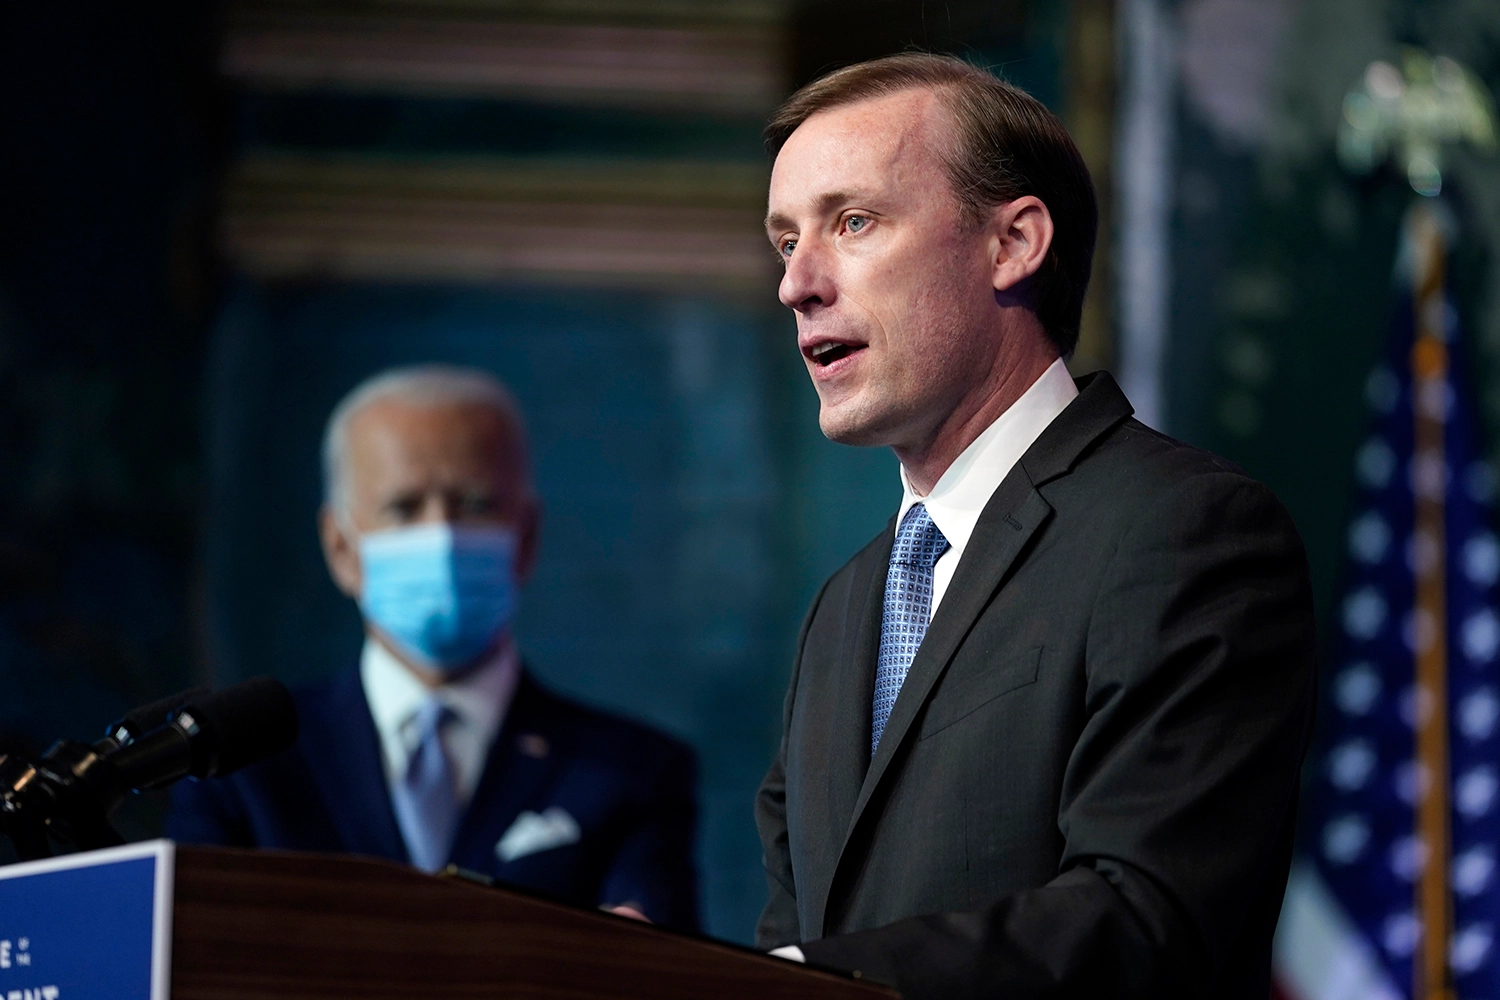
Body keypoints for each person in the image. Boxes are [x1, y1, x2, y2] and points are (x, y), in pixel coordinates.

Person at [755, 54, 1315, 997]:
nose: (796, 285)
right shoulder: (842, 610)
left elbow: (1146, 921)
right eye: (785, 242)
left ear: (1013, 243)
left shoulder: (1186, 533)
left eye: (853, 223)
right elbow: (789, 936)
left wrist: (810, 977)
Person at [168, 365, 699, 929]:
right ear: (341, 547)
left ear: (526, 538)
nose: (441, 534)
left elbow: (657, 953)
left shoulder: (631, 773)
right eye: (403, 508)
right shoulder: (241, 768)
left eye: (475, 504)